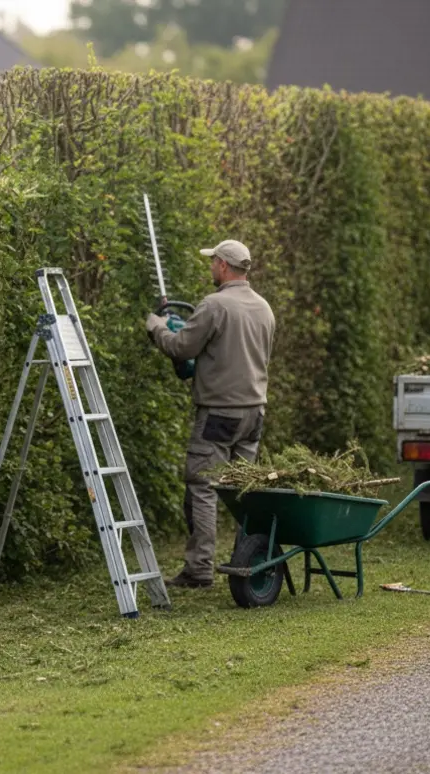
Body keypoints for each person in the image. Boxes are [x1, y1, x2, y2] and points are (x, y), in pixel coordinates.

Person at [145, 239, 276, 588]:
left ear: (222, 265)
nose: (211, 268)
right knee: (242, 489)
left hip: (220, 413)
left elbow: (181, 346)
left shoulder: (214, 305)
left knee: (203, 487)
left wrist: (157, 325)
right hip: (254, 413)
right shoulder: (264, 308)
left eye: (212, 262)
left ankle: (200, 568)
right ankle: (245, 557)